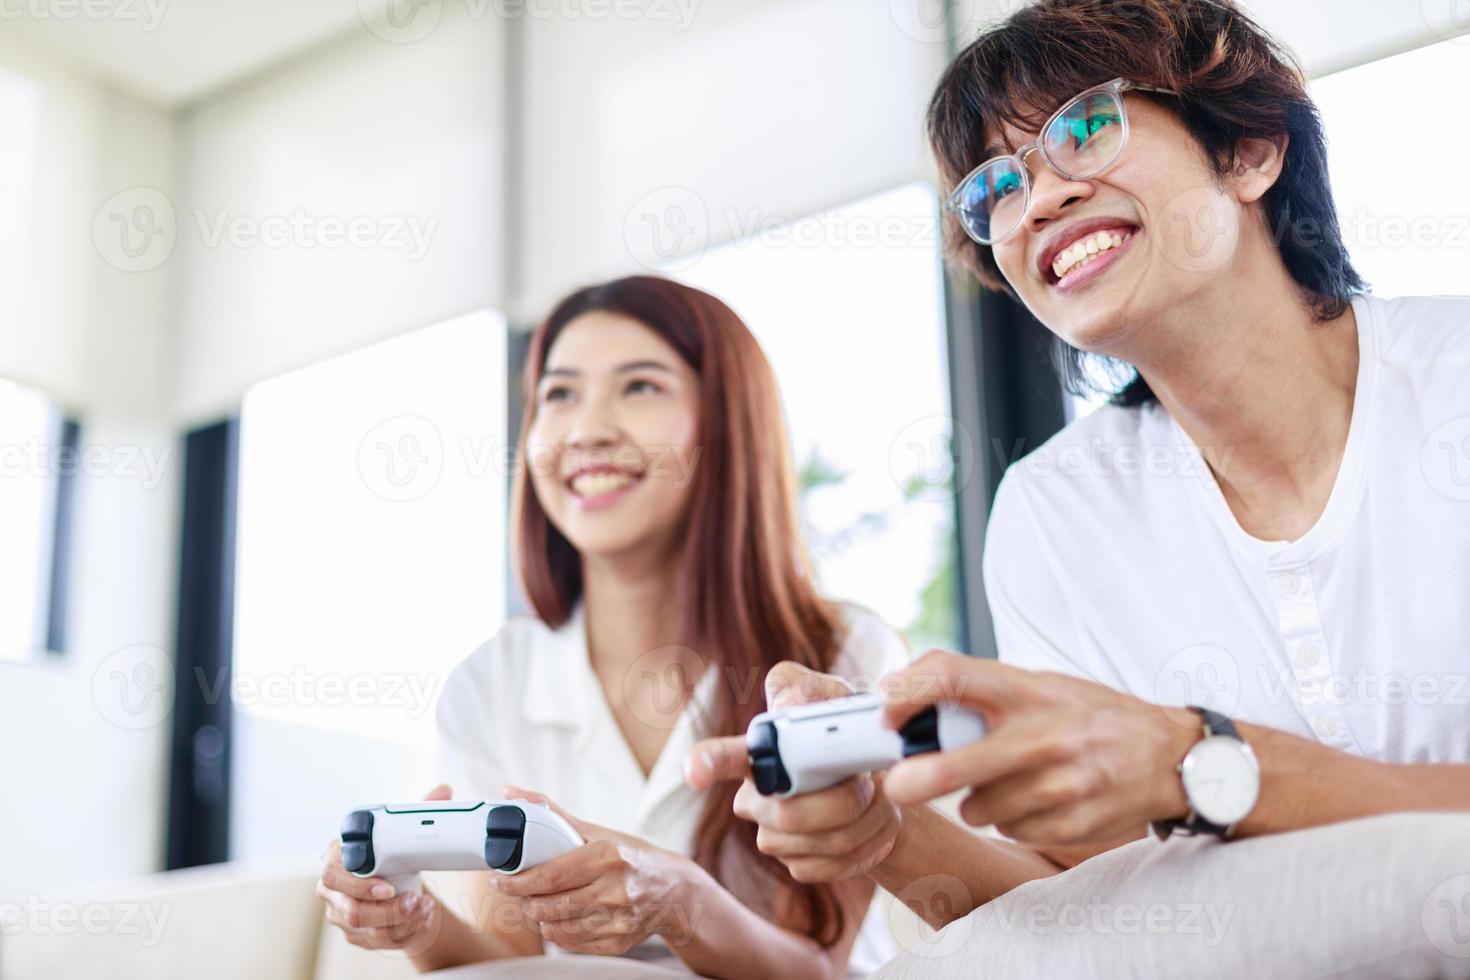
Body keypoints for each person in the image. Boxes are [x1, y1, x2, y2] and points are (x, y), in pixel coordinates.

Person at [687, 0, 1470, 967]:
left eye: (1086, 127)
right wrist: (887, 833)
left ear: (1252, 150)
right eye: (997, 188)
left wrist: (1197, 762)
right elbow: (1094, 902)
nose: (1039, 199)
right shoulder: (1054, 513)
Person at [316, 276, 910, 977]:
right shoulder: (492, 684)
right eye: (558, 394)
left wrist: (681, 901)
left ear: (725, 426)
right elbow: (509, 963)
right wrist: (416, 925)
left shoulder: (840, 653)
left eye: (639, 387)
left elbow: (823, 970)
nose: (587, 429)